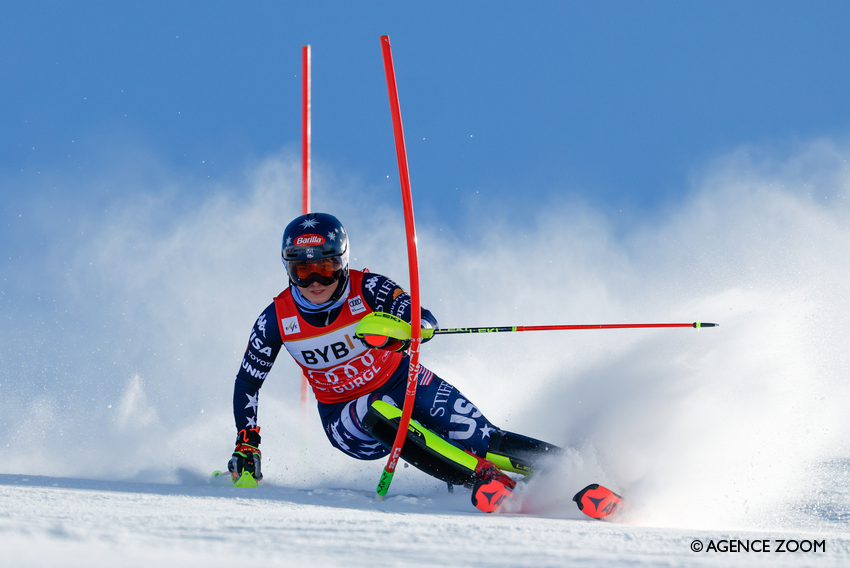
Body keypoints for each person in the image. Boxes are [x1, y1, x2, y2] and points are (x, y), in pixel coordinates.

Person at [228, 212, 560, 512]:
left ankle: (566, 470)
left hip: (404, 380)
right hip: (345, 415)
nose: (314, 282)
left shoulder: (369, 287)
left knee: (482, 438)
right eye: (302, 271)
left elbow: (421, 318)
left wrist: (404, 333)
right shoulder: (276, 318)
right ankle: (481, 478)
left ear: (342, 263)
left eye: (325, 269)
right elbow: (248, 382)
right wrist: (248, 441)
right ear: (288, 268)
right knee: (379, 409)